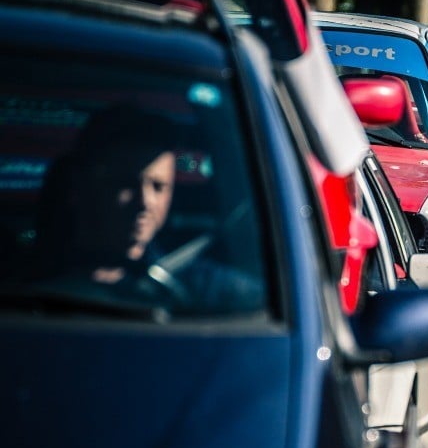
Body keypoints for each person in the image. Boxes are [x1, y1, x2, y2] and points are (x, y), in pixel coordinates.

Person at [33, 104, 263, 313]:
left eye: (159, 186)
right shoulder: (22, 284)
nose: (145, 202)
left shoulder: (206, 288)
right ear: (80, 186)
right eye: (125, 184)